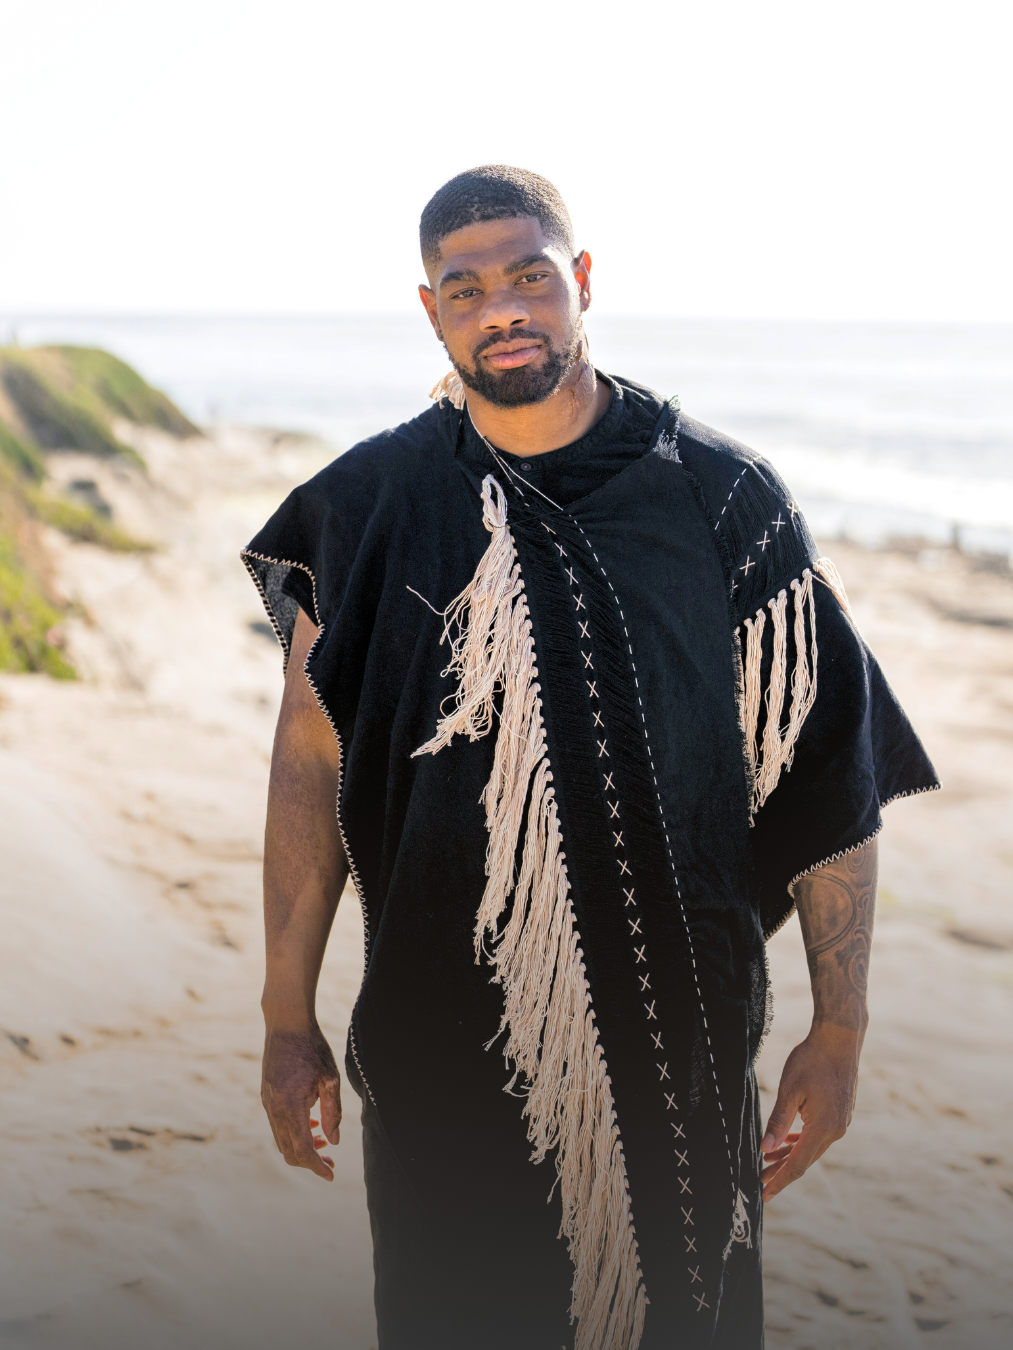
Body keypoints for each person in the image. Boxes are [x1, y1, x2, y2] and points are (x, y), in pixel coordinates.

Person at [243, 165, 938, 1350]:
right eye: (467, 290)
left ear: (582, 280)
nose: (504, 310)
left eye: (530, 276)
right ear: (431, 310)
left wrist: (840, 1032)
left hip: (680, 1062)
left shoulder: (723, 502)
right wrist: (285, 1015)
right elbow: (310, 760)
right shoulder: (364, 510)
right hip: (438, 1066)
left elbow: (828, 770)